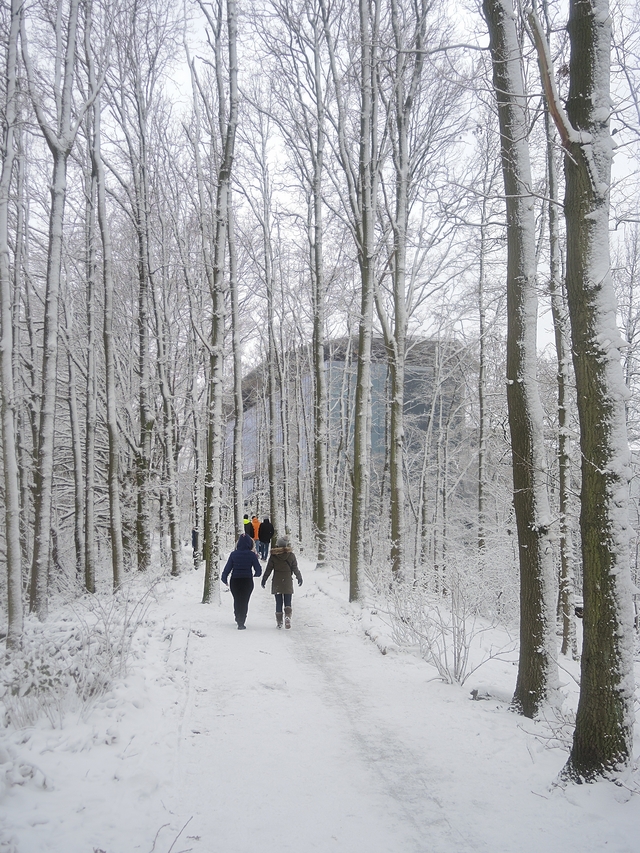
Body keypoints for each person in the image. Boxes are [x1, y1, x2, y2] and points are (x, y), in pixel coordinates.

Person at [221, 534, 262, 629]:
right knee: (244, 600)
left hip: (235, 580)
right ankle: (241, 621)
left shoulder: (233, 554)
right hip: (247, 580)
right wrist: (256, 574)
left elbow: (227, 568)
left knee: (237, 599)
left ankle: (237, 616)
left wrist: (224, 578)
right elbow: (258, 569)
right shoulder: (251, 555)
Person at [261, 536, 302, 629]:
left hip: (277, 581)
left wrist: (264, 579)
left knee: (278, 602)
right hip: (287, 580)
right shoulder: (291, 555)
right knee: (288, 601)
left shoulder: (274, 556)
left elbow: (269, 569)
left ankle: (279, 622)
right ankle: (287, 617)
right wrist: (299, 577)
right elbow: (295, 568)